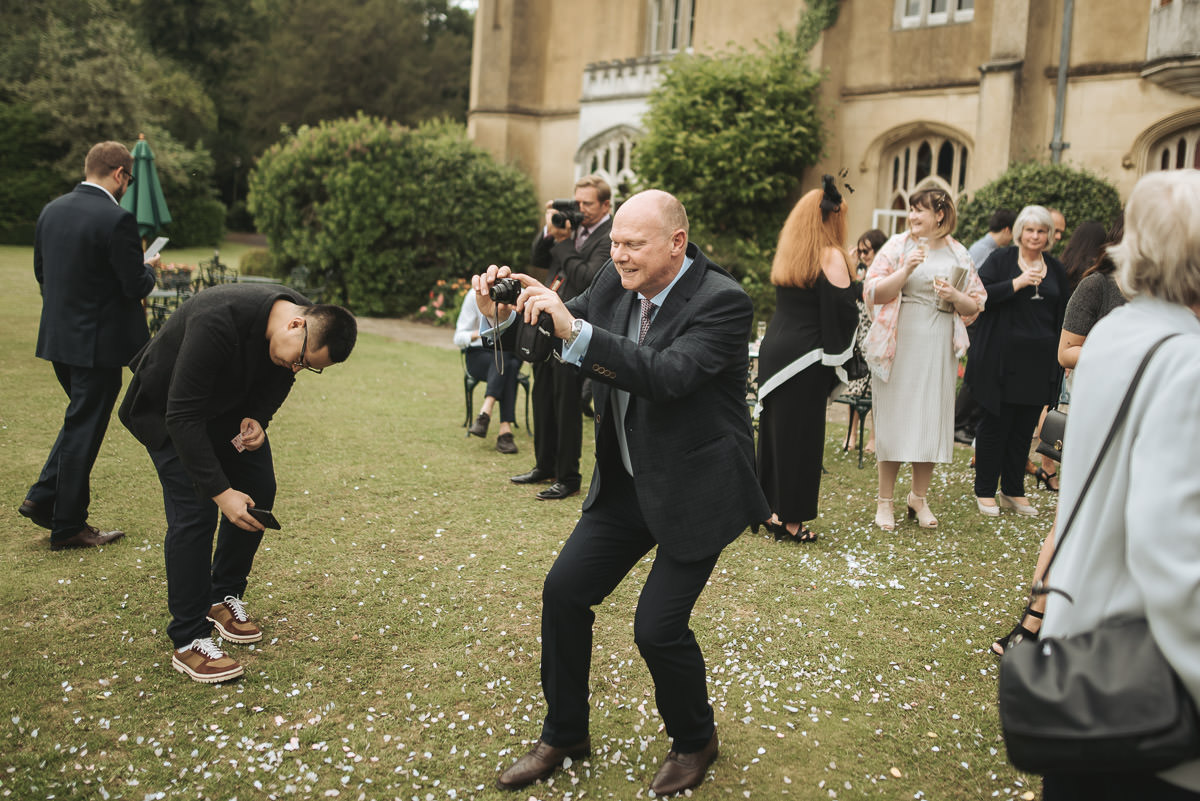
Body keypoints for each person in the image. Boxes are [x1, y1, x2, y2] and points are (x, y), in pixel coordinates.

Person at [478, 190, 769, 795]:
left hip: (696, 487)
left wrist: (574, 327)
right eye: (615, 243)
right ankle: (564, 733)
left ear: (677, 244)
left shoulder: (724, 302)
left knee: (656, 628)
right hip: (628, 483)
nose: (619, 254)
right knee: (563, 593)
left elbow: (666, 375)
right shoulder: (615, 279)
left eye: (632, 244)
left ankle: (695, 740)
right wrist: (507, 314)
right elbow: (558, 337)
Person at [1037, 169, 1200, 800]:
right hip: (1152, 689)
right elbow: (1174, 555)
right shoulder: (1185, 360)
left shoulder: (1117, 335)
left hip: (1081, 655)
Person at [118, 283, 357, 683]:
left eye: (308, 368)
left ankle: (221, 596)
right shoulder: (217, 320)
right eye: (300, 360)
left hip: (222, 409)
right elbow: (182, 416)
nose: (297, 369)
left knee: (260, 487)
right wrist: (221, 493)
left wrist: (257, 418)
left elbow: (280, 378)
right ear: (296, 324)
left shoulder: (293, 316)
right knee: (196, 509)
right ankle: (189, 638)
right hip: (167, 412)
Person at [20, 141, 159, 551]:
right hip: (98, 346)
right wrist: (148, 270)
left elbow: (42, 273)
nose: (127, 187)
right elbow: (134, 285)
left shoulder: (51, 210)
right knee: (85, 426)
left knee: (79, 420)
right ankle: (67, 526)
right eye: (129, 180)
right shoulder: (116, 219)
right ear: (119, 174)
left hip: (60, 340)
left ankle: (43, 497)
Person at [864, 189, 985, 531]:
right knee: (895, 418)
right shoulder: (898, 246)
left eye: (920, 211)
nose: (913, 217)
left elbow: (975, 304)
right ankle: (885, 501)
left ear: (941, 215)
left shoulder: (959, 253)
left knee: (929, 419)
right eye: (912, 211)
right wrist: (904, 271)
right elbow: (873, 292)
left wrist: (955, 295)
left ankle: (918, 497)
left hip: (938, 342)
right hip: (900, 340)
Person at [755, 177, 858, 543]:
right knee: (801, 439)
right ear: (832, 219)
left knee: (775, 435)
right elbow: (844, 310)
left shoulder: (790, 253)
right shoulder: (831, 255)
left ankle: (768, 509)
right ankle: (792, 521)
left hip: (775, 352)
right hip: (805, 358)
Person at [511, 175, 613, 500]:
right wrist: (548, 232)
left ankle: (568, 476)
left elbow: (587, 279)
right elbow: (540, 260)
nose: (580, 210)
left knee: (567, 402)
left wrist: (565, 243)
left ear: (606, 205)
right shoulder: (567, 227)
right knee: (542, 393)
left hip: (577, 327)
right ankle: (545, 464)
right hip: (546, 322)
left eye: (588, 204)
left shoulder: (611, 236)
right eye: (577, 202)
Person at [965, 205, 1069, 517]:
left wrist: (1061, 357)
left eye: (1042, 231)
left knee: (1024, 428)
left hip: (1038, 362)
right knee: (995, 425)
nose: (1035, 236)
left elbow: (1062, 313)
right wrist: (1018, 283)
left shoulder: (1056, 269)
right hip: (1001, 359)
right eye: (1030, 230)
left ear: (1049, 235)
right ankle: (985, 490)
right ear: (1020, 232)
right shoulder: (1001, 260)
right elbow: (980, 295)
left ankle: (1013, 490)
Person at [956, 209, 1017, 446]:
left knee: (980, 370)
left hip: (982, 317)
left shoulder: (991, 249)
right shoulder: (983, 250)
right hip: (974, 316)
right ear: (1006, 230)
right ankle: (959, 423)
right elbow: (974, 285)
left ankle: (968, 423)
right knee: (975, 370)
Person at [454, 291, 520, 453]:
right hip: (479, 355)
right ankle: (505, 431)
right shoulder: (474, 296)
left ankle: (485, 412)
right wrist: (485, 332)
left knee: (505, 354)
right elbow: (458, 338)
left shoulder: (519, 295)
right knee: (508, 365)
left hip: (509, 352)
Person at [845, 228, 887, 452]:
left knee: (875, 392)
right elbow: (850, 292)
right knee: (855, 388)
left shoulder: (884, 274)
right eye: (860, 250)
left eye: (866, 250)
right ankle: (851, 435)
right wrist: (852, 268)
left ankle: (873, 438)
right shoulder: (860, 272)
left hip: (878, 337)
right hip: (859, 337)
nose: (862, 255)